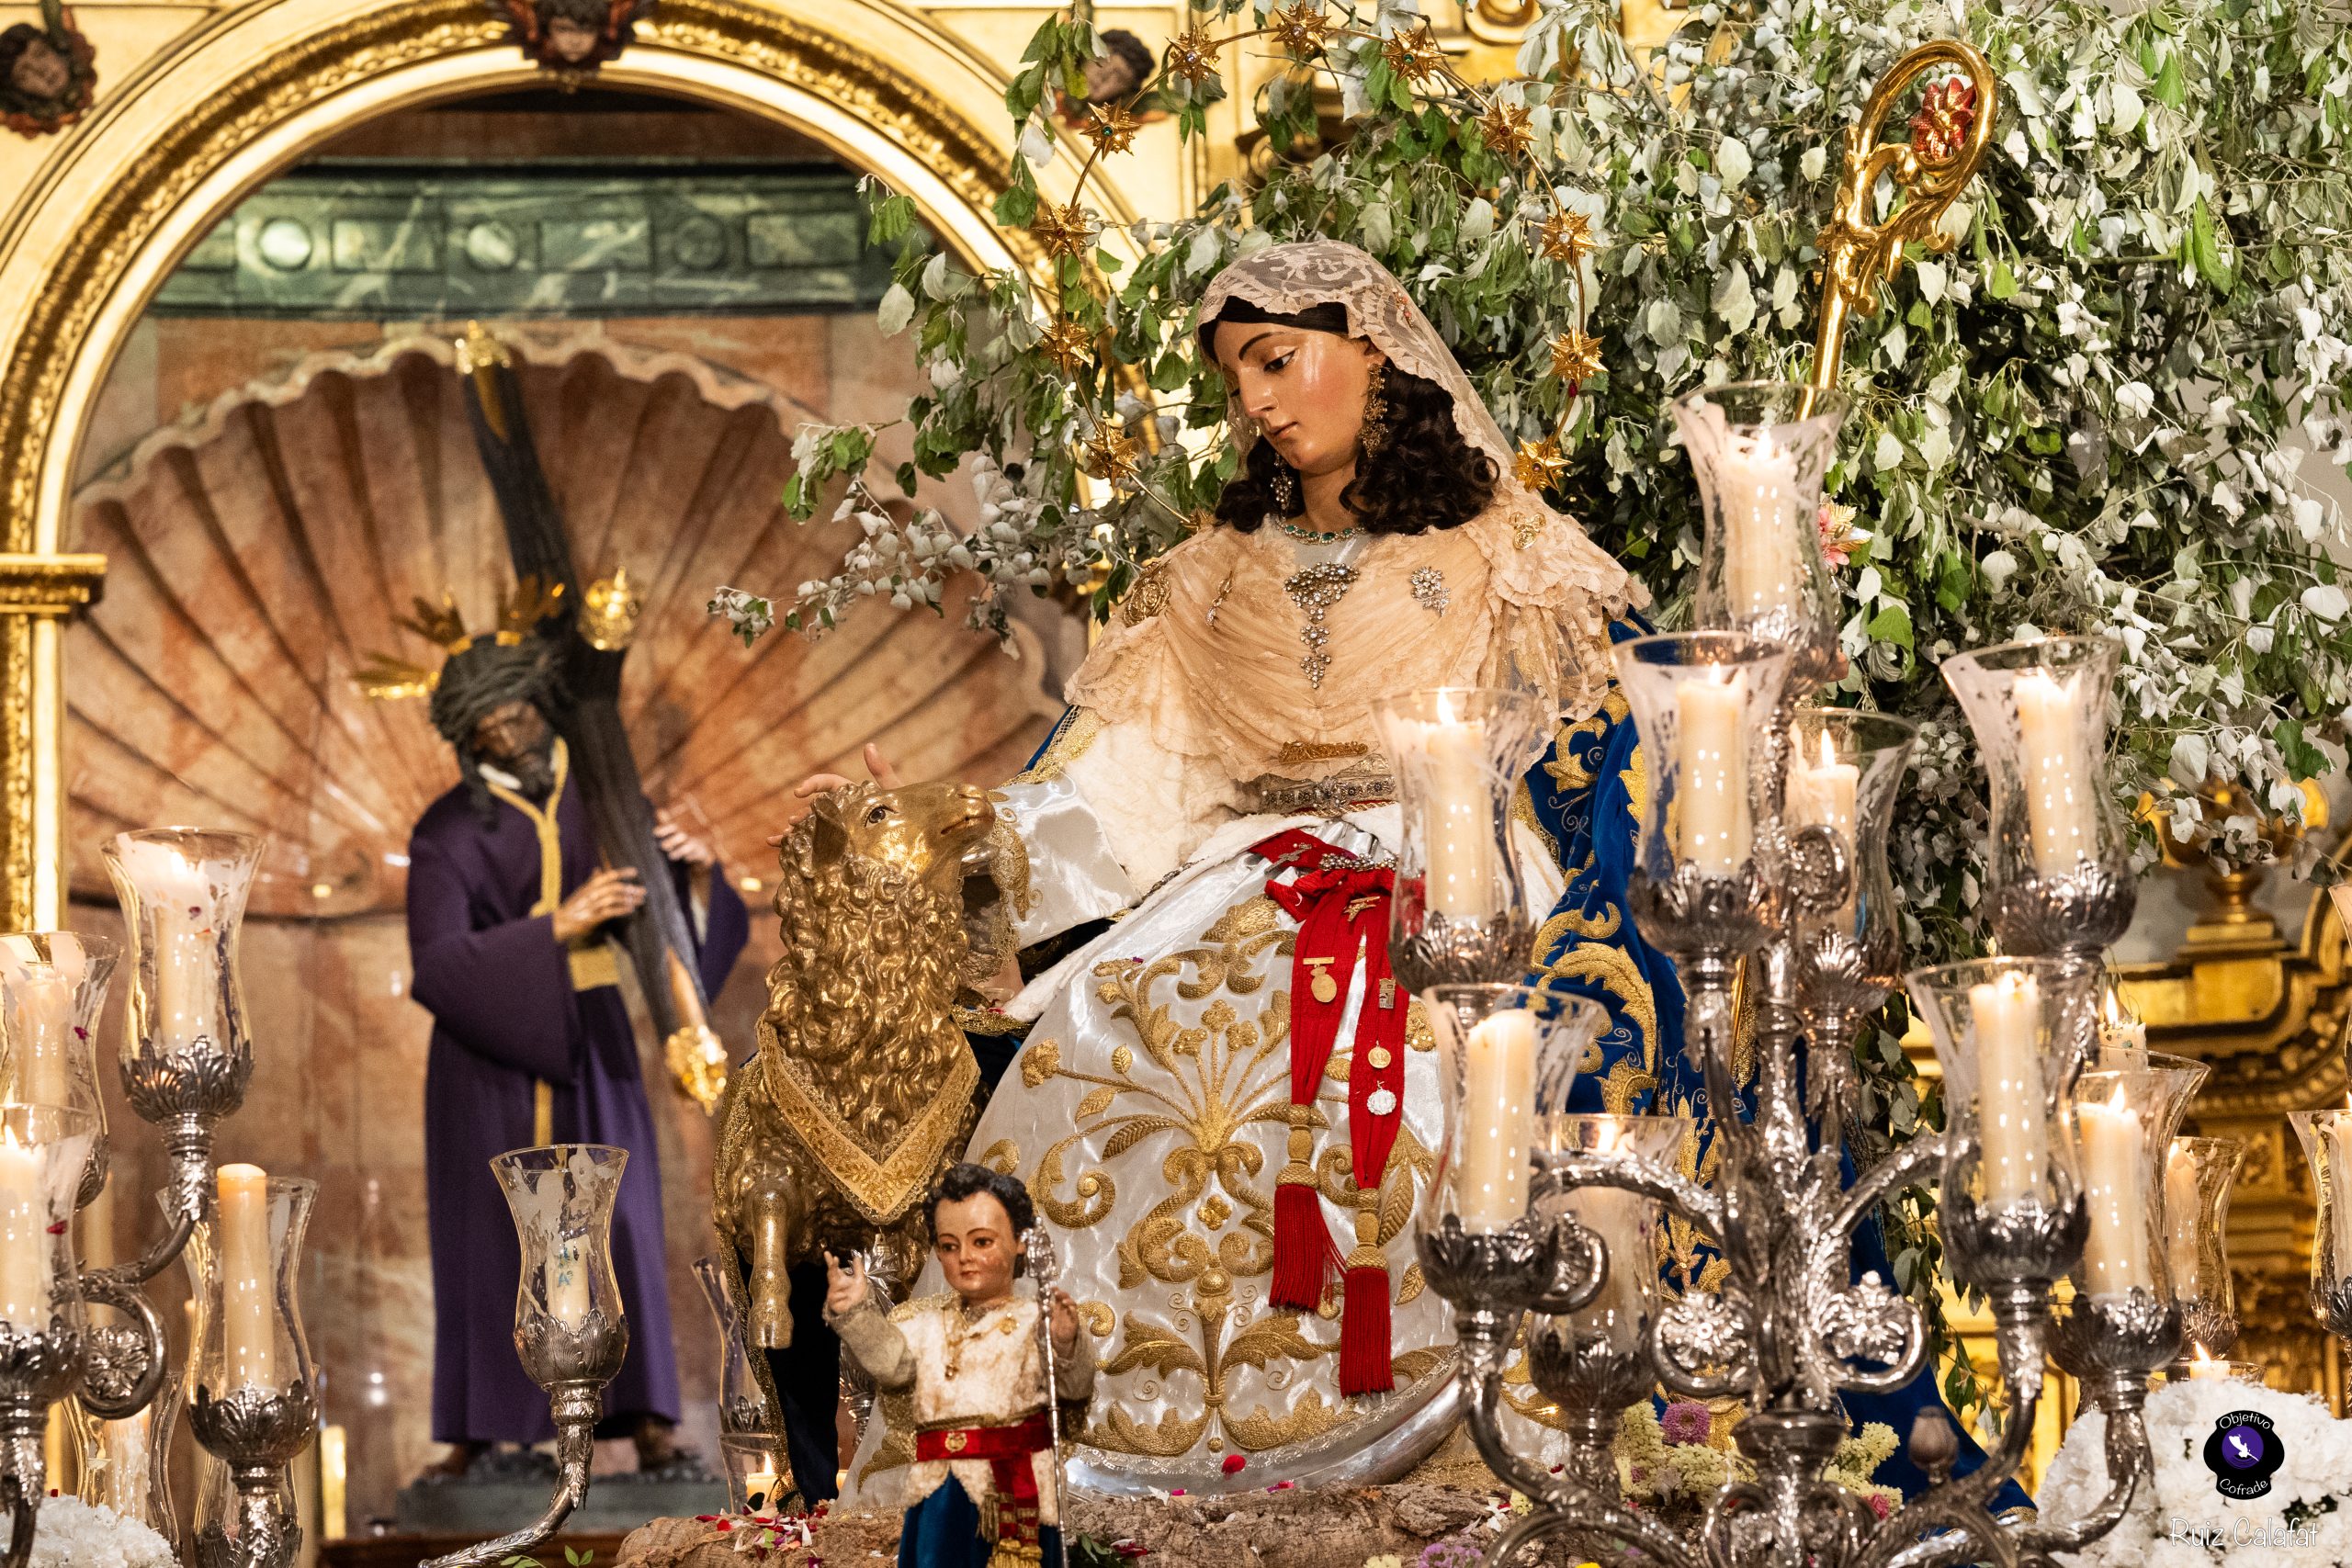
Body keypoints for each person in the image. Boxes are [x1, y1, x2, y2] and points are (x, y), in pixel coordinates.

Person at [405, 620, 748, 1478]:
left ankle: (646, 1420)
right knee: (489, 1237)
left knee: (619, 1224)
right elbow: (440, 964)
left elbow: (676, 942)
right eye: (489, 729)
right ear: (466, 738)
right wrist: (554, 927)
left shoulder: (608, 799)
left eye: (519, 716)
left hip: (594, 1040)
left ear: (541, 707)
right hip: (487, 1063)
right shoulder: (444, 831)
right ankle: (479, 1429)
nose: (510, 737)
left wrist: (702, 877)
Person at [825, 1164, 1091, 1568]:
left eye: (982, 1242)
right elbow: (893, 1367)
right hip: (941, 1490)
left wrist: (1065, 1342)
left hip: (1019, 1494)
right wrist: (857, 1316)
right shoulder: (920, 1323)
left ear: (1020, 1242)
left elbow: (1071, 1392)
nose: (965, 1258)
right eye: (949, 1246)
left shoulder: (1038, 1322)